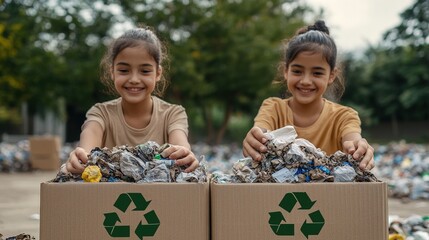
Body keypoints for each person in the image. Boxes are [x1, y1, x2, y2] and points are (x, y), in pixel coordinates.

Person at [242, 20, 374, 170]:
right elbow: (261, 131)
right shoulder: (273, 108)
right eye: (297, 71)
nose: (305, 81)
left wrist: (359, 149)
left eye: (317, 73)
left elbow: (352, 140)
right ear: (286, 71)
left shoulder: (344, 117)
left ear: (331, 75)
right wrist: (254, 139)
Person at [64, 26, 198, 174]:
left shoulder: (173, 114)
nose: (134, 79)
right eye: (124, 70)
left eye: (145, 71)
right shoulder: (101, 113)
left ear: (158, 73)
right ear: (112, 72)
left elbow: (180, 145)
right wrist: (79, 158)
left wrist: (184, 155)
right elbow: (88, 144)